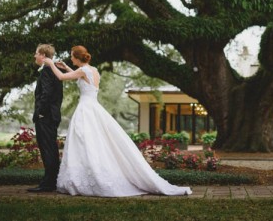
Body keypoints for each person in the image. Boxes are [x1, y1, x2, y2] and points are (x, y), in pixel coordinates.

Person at [43, 45, 191, 197]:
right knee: (90, 141)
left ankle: (88, 177)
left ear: (77, 57)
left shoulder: (83, 71)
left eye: (72, 56)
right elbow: (78, 75)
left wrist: (51, 64)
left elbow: (61, 77)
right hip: (93, 107)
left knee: (85, 141)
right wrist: (66, 67)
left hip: (85, 110)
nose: (71, 59)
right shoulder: (93, 70)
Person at [28, 44, 63, 193]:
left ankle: (48, 184)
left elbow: (47, 93)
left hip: (46, 116)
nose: (34, 56)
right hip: (51, 115)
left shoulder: (48, 71)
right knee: (51, 149)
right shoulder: (53, 70)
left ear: (43, 55)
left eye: (36, 53)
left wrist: (40, 112)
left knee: (48, 149)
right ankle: (49, 181)